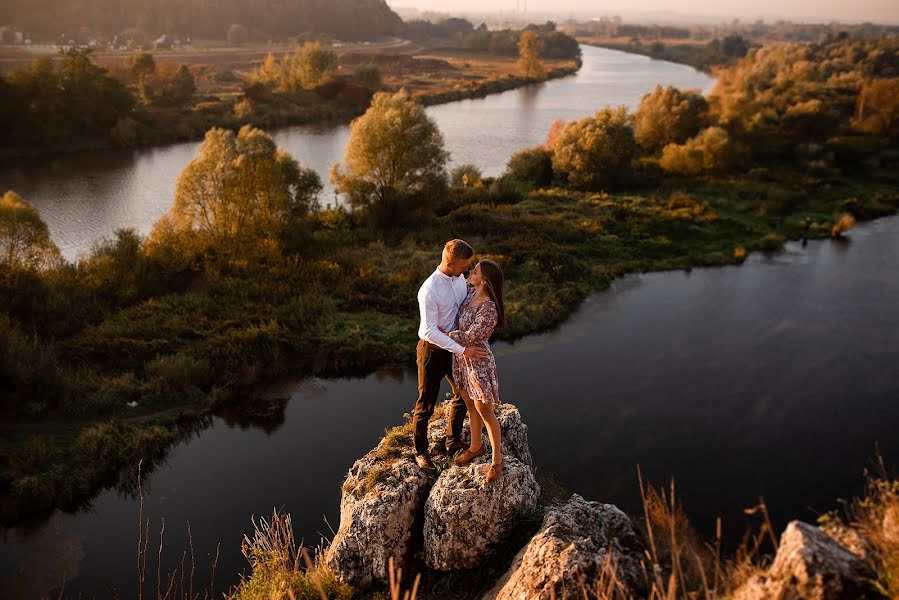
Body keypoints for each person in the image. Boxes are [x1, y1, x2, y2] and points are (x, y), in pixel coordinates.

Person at [412, 239, 488, 474]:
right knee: (426, 404)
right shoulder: (429, 289)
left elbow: (466, 305)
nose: (467, 270)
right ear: (450, 263)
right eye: (464, 266)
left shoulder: (459, 280)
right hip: (432, 351)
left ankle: (452, 440)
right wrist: (462, 348)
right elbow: (427, 331)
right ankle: (421, 452)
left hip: (455, 347)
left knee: (462, 395)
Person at [444, 259, 506, 482]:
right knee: (469, 403)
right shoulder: (470, 293)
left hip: (478, 361)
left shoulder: (489, 308)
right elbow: (459, 324)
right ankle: (476, 447)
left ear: (485, 280)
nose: (472, 272)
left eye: (476, 271)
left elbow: (471, 336)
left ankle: (497, 461)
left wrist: (447, 335)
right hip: (461, 358)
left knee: (485, 410)